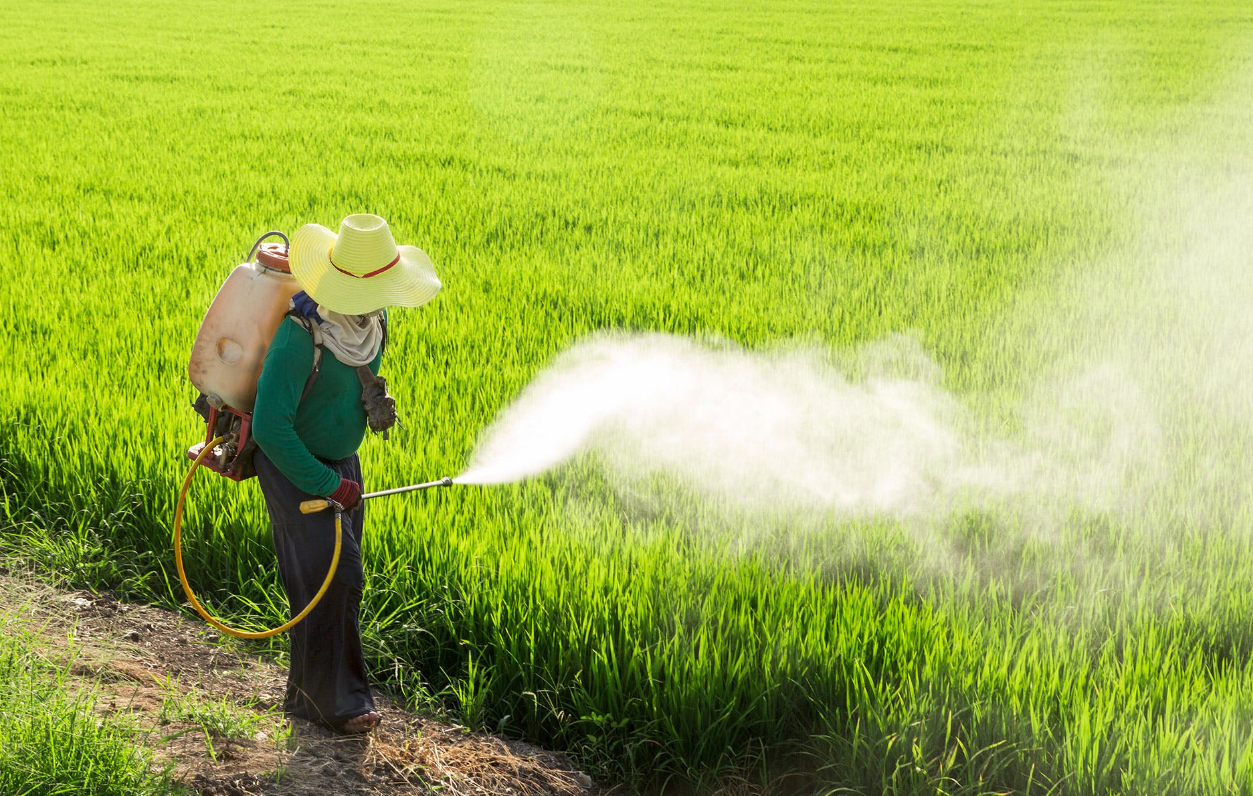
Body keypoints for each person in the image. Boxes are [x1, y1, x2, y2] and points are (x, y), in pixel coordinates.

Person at [250, 213, 441, 734]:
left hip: (341, 467)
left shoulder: (371, 324)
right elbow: (270, 427)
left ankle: (306, 696)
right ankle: (342, 703)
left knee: (327, 583)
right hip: (295, 469)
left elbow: (353, 374)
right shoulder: (298, 339)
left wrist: (371, 398)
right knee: (335, 579)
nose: (384, 299)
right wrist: (325, 483)